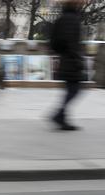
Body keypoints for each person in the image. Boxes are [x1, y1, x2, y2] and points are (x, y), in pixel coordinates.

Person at [50, 0, 85, 131]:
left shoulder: (62, 18)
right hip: (71, 60)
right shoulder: (71, 19)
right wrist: (76, 58)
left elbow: (55, 41)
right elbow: (70, 42)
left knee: (72, 89)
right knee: (74, 90)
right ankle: (59, 115)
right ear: (75, 4)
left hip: (66, 58)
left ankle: (61, 117)